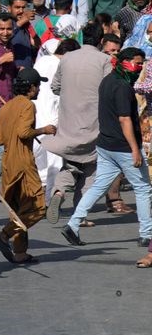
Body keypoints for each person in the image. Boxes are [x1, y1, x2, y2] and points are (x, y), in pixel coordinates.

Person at [61, 48, 149, 250]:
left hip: (105, 144)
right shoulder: (123, 87)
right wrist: (135, 149)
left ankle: (73, 224)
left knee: (99, 186)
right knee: (143, 188)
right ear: (125, 62)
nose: (139, 68)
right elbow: (124, 119)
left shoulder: (108, 81)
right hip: (123, 147)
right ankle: (146, 234)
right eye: (137, 63)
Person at [0, 68, 55, 265]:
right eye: (38, 86)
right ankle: (5, 234)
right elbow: (23, 132)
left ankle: (20, 252)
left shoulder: (6, 107)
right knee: (37, 207)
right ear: (31, 87)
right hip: (23, 162)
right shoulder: (28, 105)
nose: (39, 90)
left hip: (7, 163)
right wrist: (44, 130)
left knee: (20, 208)